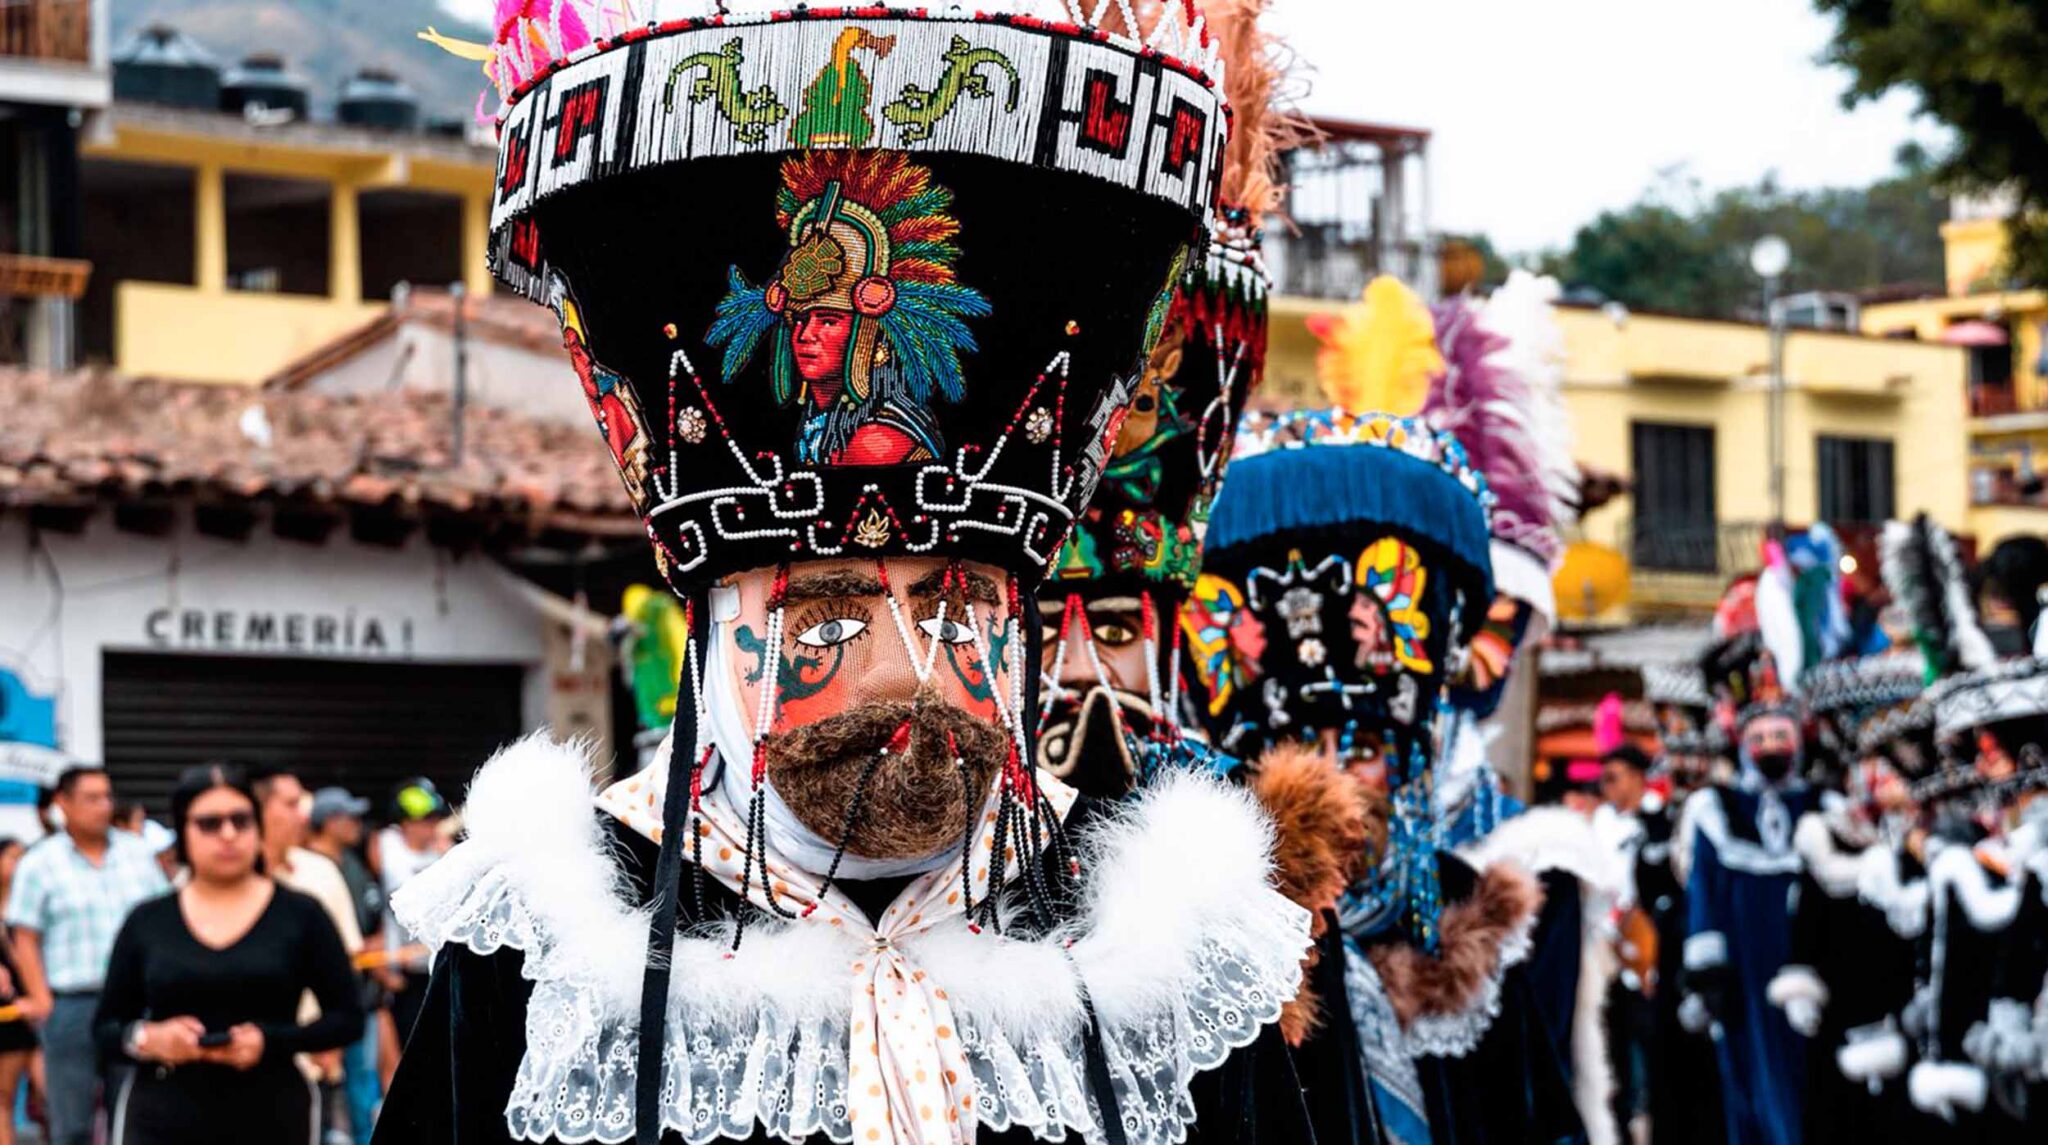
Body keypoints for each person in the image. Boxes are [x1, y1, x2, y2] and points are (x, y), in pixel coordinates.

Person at [379, 7, 1317, 1144]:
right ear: (723, 634)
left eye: (956, 608)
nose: (902, 675)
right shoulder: (552, 948)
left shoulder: (1164, 945)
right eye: (825, 616)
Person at [93, 763, 363, 1144]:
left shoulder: (301, 915)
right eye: (209, 823)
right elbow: (106, 1027)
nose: (228, 834)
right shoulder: (148, 921)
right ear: (183, 833)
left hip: (272, 1112)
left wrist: (270, 1041)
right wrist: (149, 1038)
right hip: (162, 1112)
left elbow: (348, 1018)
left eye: (241, 820)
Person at [4, 766, 167, 1145]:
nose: (103, 806)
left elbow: (163, 920)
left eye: (107, 796)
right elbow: (24, 934)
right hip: (71, 1006)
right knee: (72, 1122)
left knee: (131, 1113)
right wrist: (41, 996)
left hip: (134, 1004)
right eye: (91, 798)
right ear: (63, 803)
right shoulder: (40, 863)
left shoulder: (138, 854)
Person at [251, 767, 363, 1144]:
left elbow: (347, 966)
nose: (304, 815)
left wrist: (329, 1038)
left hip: (309, 1061)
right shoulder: (206, 882)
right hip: (232, 1066)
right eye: (291, 803)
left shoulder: (320, 874)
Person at [306, 787, 386, 1145]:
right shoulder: (308, 870)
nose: (356, 824)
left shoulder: (354, 864)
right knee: (328, 1088)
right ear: (327, 822)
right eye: (347, 816)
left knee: (362, 1082)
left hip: (364, 994)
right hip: (324, 1003)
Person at [371, 779, 444, 1053]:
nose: (430, 827)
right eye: (424, 820)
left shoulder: (441, 851)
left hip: (432, 965)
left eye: (434, 820)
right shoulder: (386, 847)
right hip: (400, 969)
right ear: (406, 822)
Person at [0, 838, 35, 1145]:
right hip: (7, 1016)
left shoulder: (38, 901)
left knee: (55, 1096)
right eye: (13, 857)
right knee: (3, 1100)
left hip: (43, 1011)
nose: (19, 863)